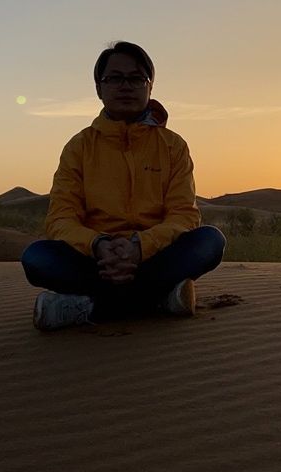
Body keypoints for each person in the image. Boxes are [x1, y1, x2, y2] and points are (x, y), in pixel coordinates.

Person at [20, 41, 225, 330]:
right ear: (99, 88)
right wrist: (98, 245)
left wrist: (140, 247)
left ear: (150, 87)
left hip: (154, 256)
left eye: (136, 78)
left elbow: (184, 215)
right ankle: (158, 299)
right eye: (114, 78)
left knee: (210, 242)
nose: (125, 86)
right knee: (36, 257)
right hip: (96, 261)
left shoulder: (172, 146)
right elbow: (60, 218)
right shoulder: (79, 147)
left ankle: (90, 307)